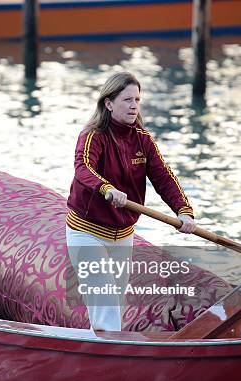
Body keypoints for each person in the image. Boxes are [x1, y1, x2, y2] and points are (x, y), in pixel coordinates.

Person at [66, 72, 197, 331]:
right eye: (127, 99)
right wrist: (106, 189)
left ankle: (103, 352)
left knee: (114, 302)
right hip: (86, 233)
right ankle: (112, 360)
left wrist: (184, 211)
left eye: (137, 99)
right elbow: (83, 168)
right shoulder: (93, 135)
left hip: (123, 235)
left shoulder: (143, 139)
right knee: (104, 300)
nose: (134, 105)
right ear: (109, 103)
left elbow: (163, 177)